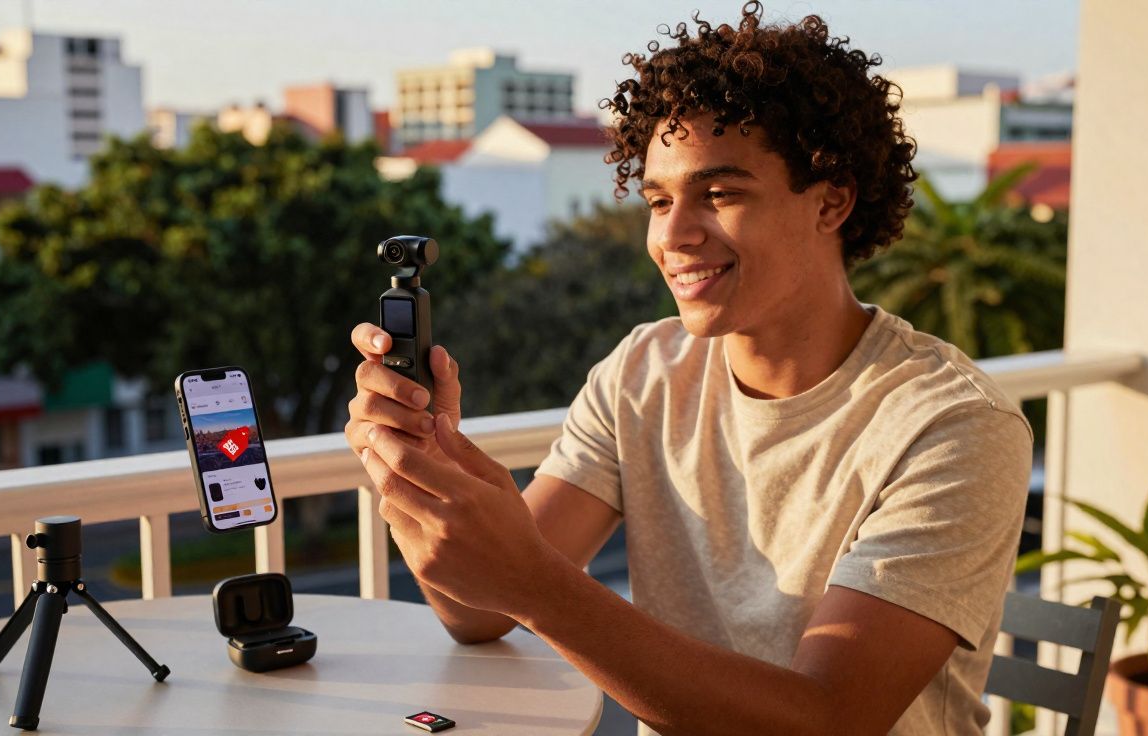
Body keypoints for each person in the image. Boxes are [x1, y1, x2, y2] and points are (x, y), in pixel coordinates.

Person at [344, 4, 1031, 734]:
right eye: (659, 200)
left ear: (832, 199)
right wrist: (429, 467)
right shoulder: (644, 369)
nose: (672, 236)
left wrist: (540, 588)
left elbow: (828, 721)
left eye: (720, 194)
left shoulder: (952, 426)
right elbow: (479, 609)